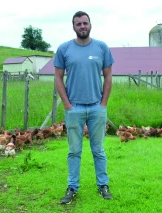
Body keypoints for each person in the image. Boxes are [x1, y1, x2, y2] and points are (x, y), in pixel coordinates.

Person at [53, 11, 114, 205]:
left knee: (98, 150)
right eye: (78, 24)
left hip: (97, 107)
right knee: (74, 151)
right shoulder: (64, 49)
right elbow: (57, 78)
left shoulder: (102, 48)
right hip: (74, 109)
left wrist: (103, 104)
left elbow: (108, 77)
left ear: (90, 25)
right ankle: (72, 187)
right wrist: (67, 105)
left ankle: (103, 185)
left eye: (85, 23)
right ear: (73, 27)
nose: (82, 26)